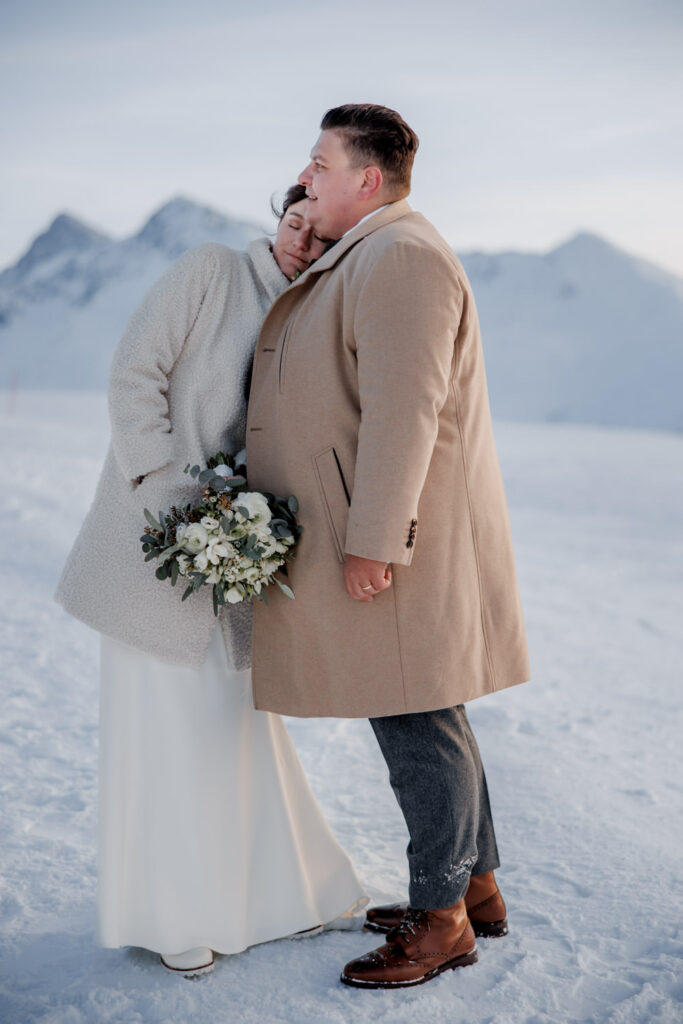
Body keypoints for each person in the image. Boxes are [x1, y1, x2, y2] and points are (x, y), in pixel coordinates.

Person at [246, 105, 530, 989]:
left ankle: (442, 921)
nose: (305, 175)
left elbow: (404, 414)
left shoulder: (400, 256)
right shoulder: (368, 252)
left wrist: (373, 541)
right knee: (427, 706)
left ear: (367, 179)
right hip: (385, 530)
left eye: (320, 162)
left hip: (392, 539)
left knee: (414, 720)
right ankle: (474, 889)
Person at [55, 185, 366, 977]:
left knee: (232, 729)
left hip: (232, 559)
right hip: (151, 544)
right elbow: (135, 374)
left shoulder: (311, 320)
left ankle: (285, 897)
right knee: (162, 728)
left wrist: (253, 528)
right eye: (293, 223)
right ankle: (173, 916)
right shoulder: (211, 270)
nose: (300, 242)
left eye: (319, 238)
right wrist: (169, 497)